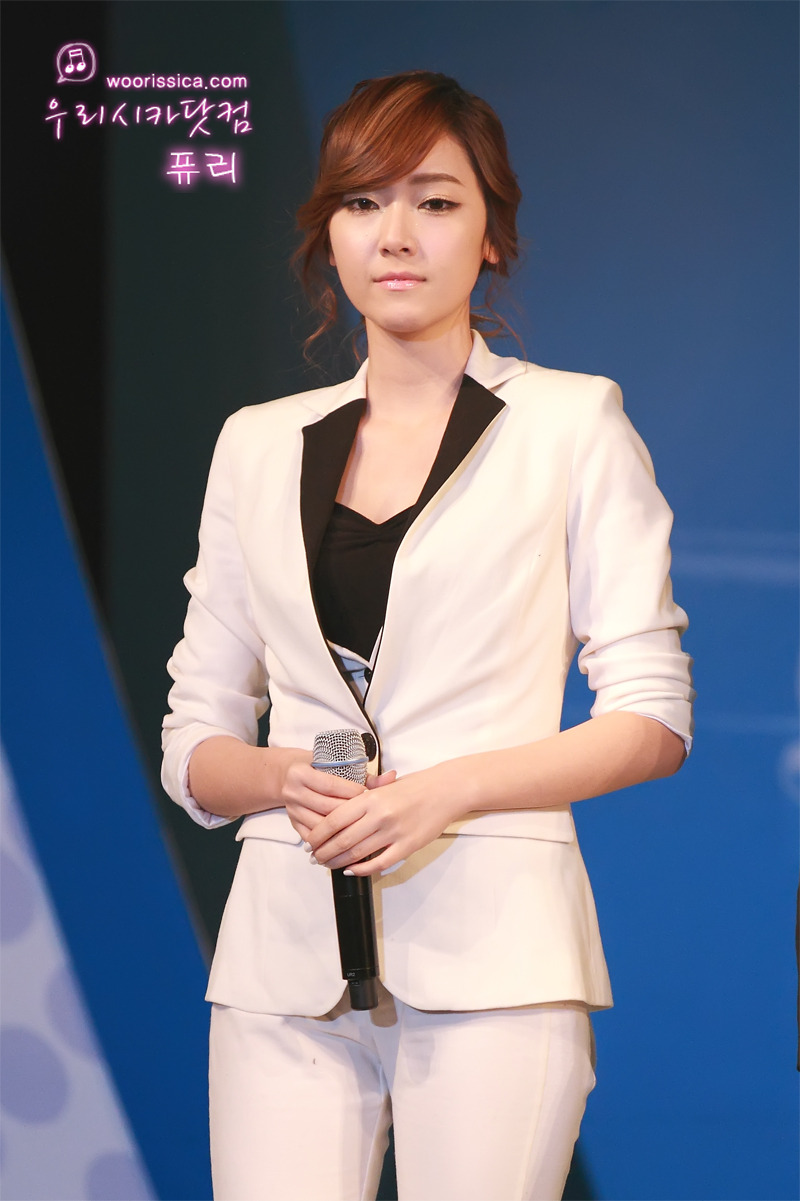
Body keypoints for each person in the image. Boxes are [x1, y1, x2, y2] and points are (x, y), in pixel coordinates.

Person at [162, 70, 694, 1201]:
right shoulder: (257, 443)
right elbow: (195, 736)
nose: (394, 234)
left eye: (435, 201)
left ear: (491, 234)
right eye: (362, 202)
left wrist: (442, 792)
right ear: (329, 233)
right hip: (282, 965)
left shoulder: (570, 423)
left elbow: (650, 717)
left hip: (494, 955)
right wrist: (283, 776)